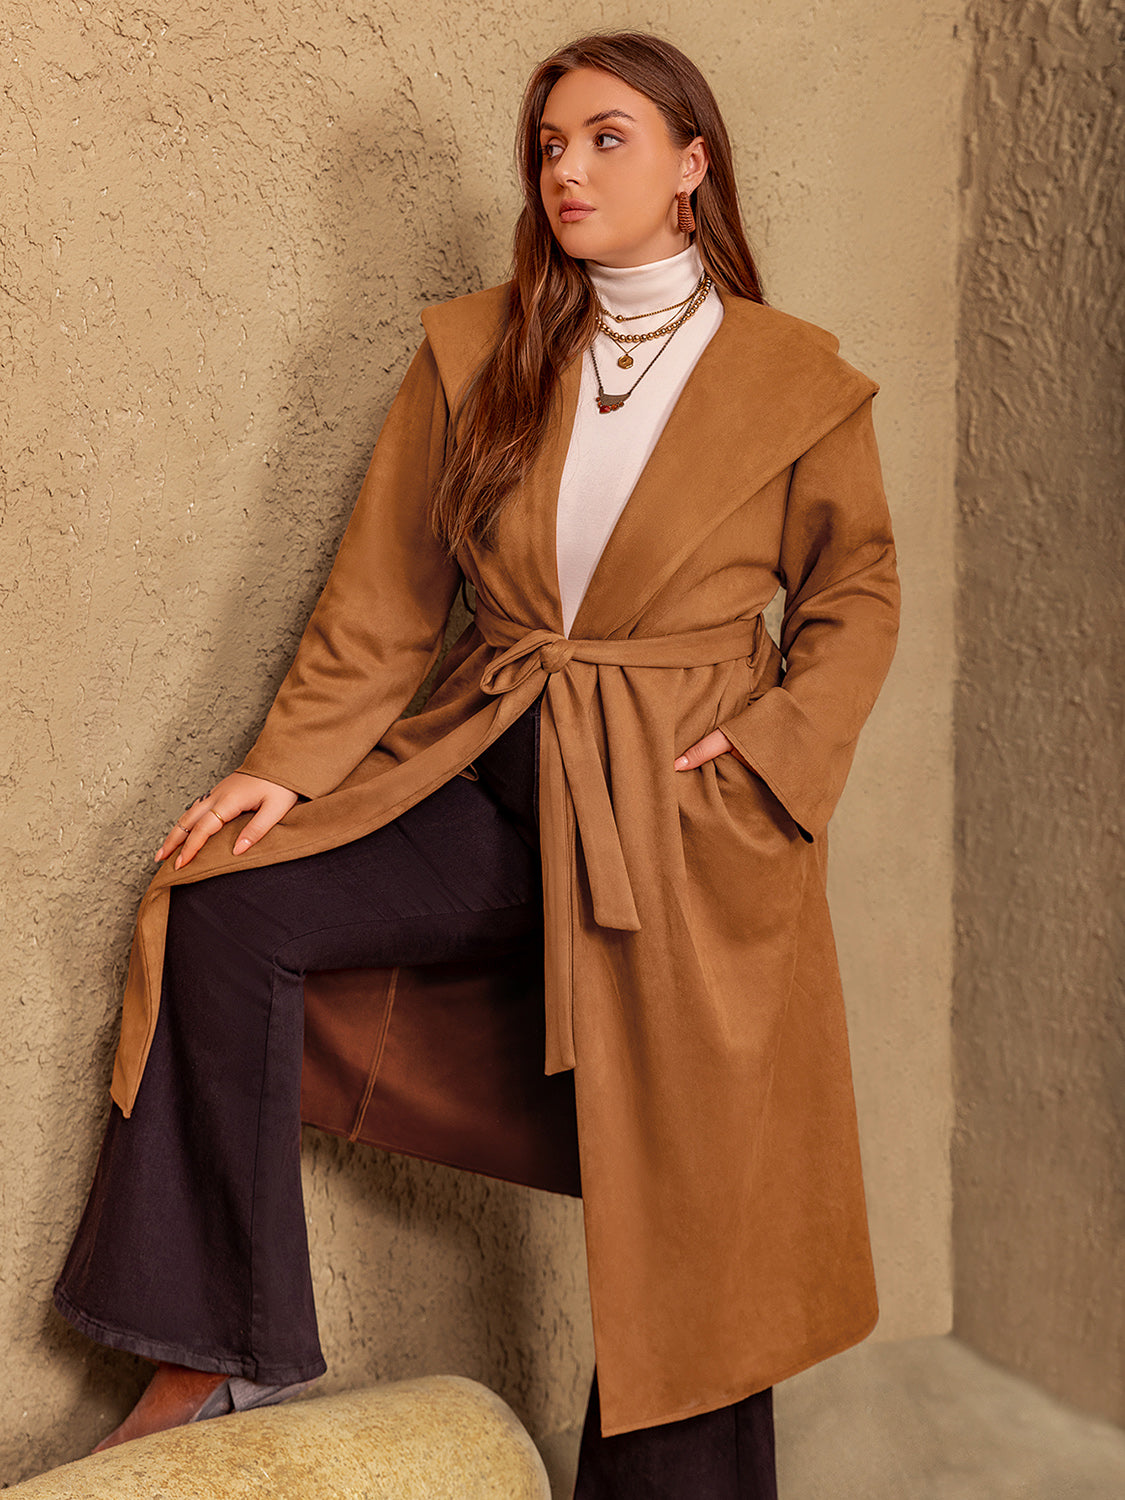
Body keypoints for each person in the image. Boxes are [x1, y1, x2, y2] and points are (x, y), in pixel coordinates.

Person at [54, 31, 899, 1498]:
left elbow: (856, 596)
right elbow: (385, 597)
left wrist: (768, 755)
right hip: (497, 760)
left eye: (607, 137)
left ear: (692, 164)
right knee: (226, 901)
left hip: (681, 815)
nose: (567, 168)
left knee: (698, 1203)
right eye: (549, 145)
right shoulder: (478, 351)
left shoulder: (793, 381)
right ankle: (219, 1346)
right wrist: (287, 771)